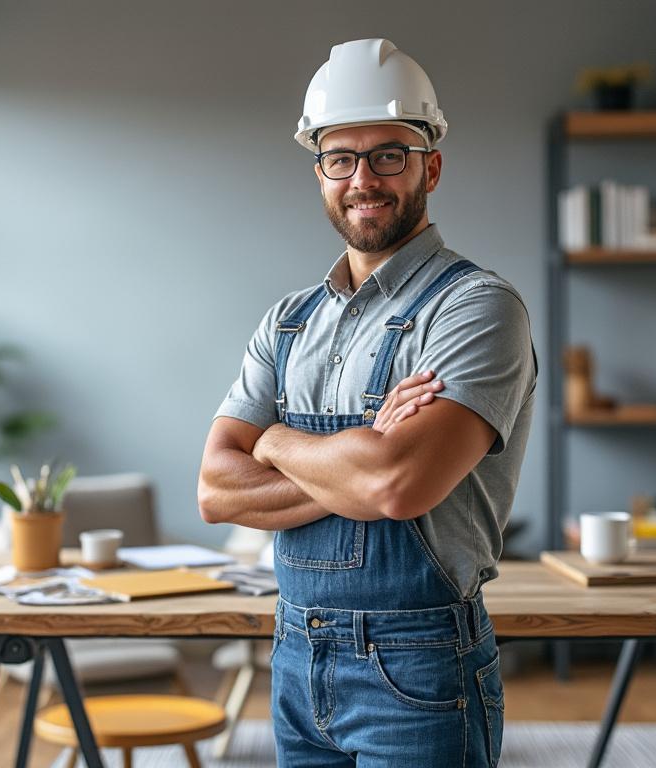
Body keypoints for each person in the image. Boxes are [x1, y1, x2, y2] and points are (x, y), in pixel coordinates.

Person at [198, 38, 536, 767]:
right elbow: (216, 491)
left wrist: (274, 439)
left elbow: (395, 483)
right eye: (340, 157)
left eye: (389, 154)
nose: (363, 178)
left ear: (430, 166)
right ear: (319, 171)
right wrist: (358, 451)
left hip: (419, 665)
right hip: (293, 656)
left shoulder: (476, 309)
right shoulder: (288, 321)